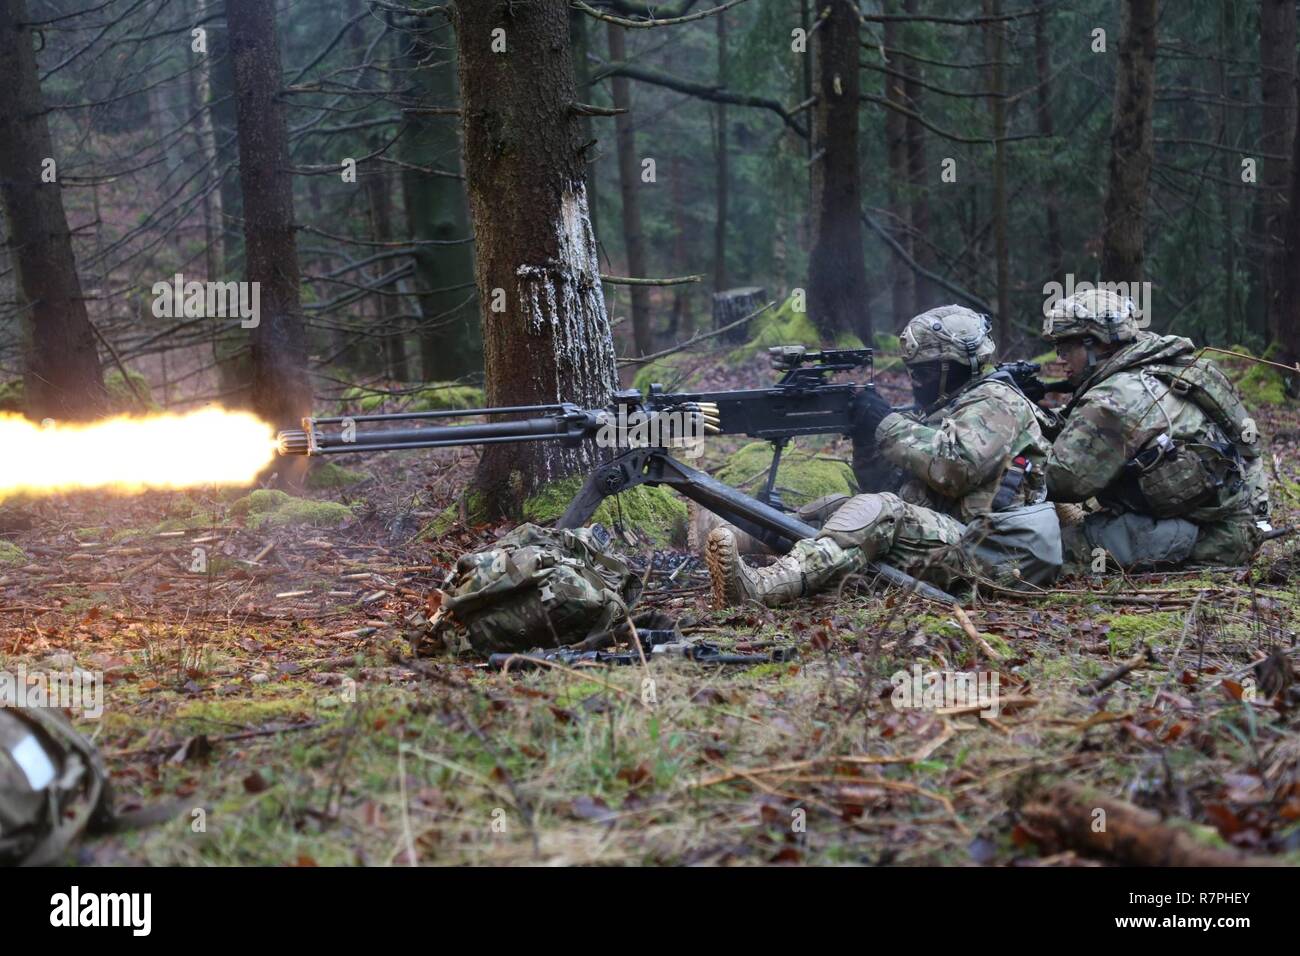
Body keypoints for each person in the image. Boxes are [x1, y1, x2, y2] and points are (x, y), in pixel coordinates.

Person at [706, 305, 1061, 607]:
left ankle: (762, 587)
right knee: (840, 507)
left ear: (951, 367)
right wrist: (866, 442)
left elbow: (955, 469)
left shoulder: (997, 403)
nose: (914, 382)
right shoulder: (952, 405)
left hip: (993, 551)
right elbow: (892, 485)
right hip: (957, 534)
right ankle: (744, 537)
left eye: (921, 373)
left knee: (880, 512)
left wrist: (885, 425)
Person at [1042, 288, 1270, 570]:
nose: (1059, 359)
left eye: (1066, 348)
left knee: (1049, 549)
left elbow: (1062, 481)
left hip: (1208, 538)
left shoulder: (1116, 397)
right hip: (1238, 522)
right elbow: (1251, 448)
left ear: (1096, 344)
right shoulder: (1176, 367)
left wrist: (1016, 457)